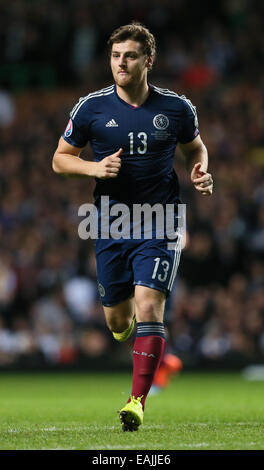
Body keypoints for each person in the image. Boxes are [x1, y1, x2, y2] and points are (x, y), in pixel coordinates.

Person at [52, 22, 213, 432]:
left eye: (130, 56)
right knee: (119, 323)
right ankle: (161, 352)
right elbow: (59, 159)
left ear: (148, 60)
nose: (121, 63)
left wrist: (200, 171)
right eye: (115, 56)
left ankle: (137, 402)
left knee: (149, 306)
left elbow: (196, 147)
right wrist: (94, 166)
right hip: (109, 223)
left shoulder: (177, 108)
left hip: (160, 221)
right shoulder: (91, 108)